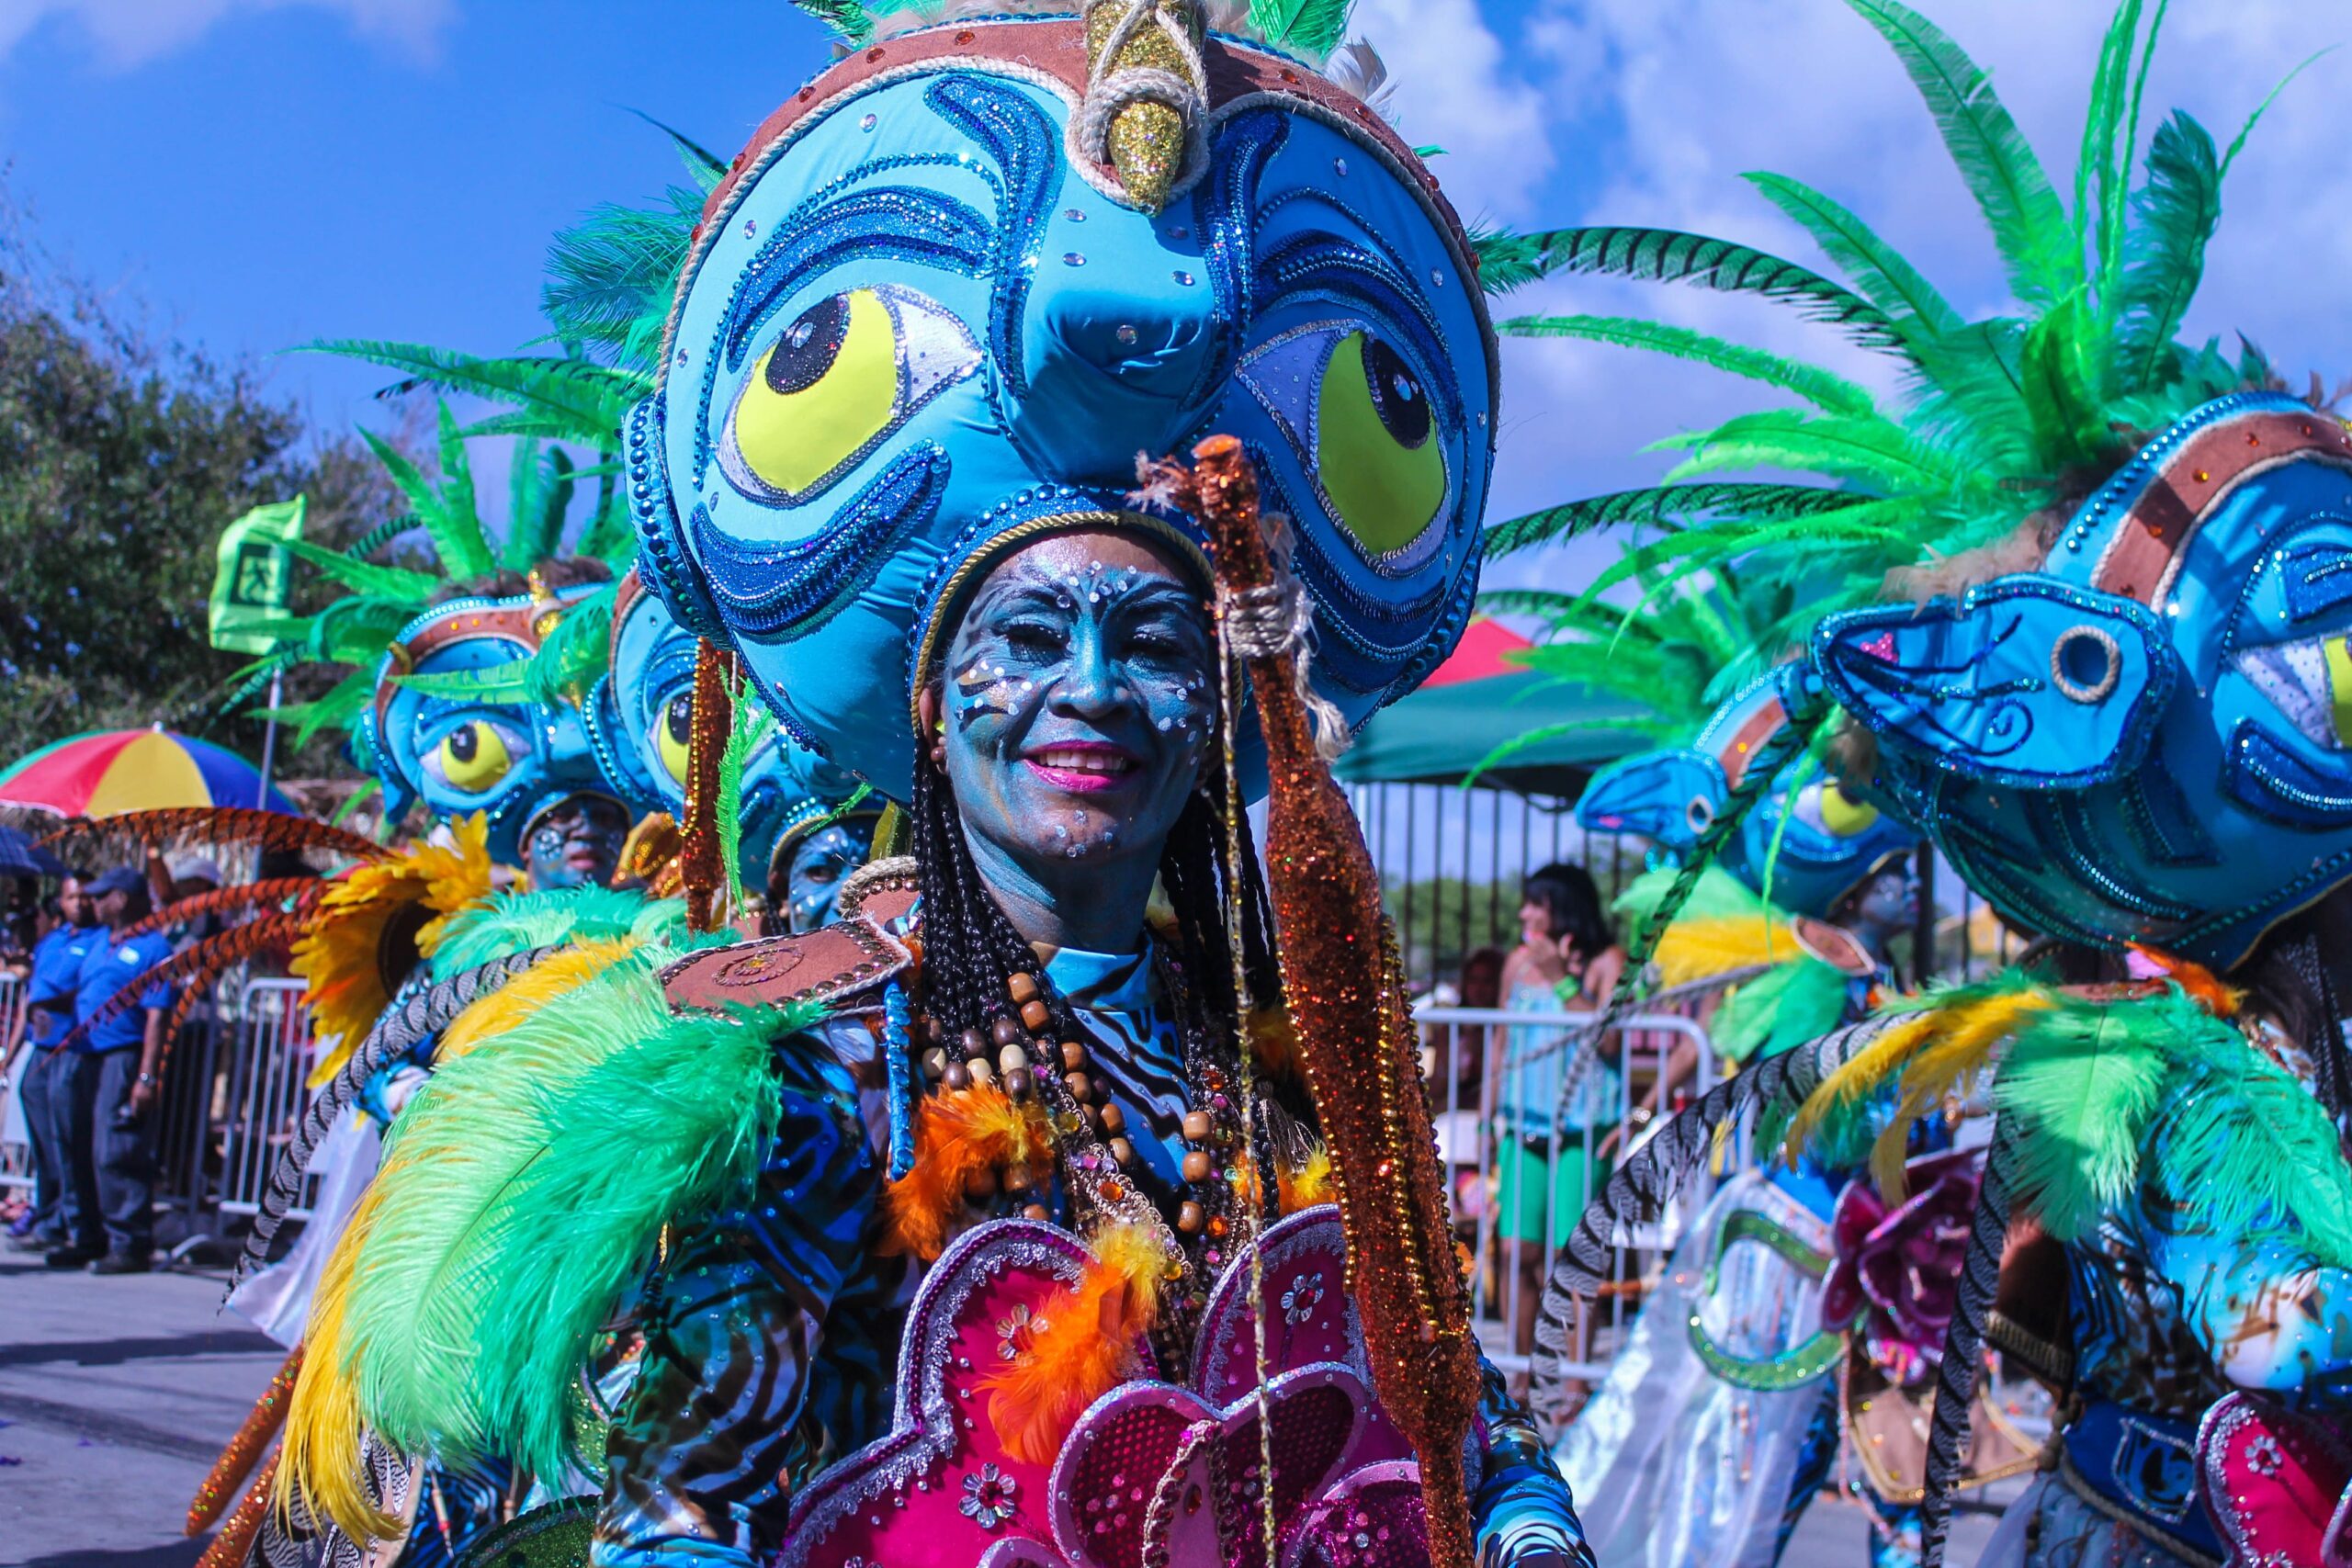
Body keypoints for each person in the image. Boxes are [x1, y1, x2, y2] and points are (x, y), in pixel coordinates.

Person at [1493, 864, 1625, 1376]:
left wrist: (1561, 979)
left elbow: (1609, 1040)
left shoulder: (1607, 962)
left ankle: (1572, 1381)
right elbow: (1501, 1044)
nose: (1524, 913)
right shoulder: (1515, 963)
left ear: (1562, 908)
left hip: (1582, 1131)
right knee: (1514, 1251)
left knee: (1573, 1258)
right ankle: (1520, 1377)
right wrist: (1488, 1125)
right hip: (1523, 1128)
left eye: (1535, 903)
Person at [54, 866, 175, 1273]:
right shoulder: (98, 942)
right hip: (84, 1055)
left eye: (102, 895)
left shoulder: (154, 947)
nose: (94, 902)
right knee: (76, 1143)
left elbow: (158, 1017)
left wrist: (146, 1076)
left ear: (121, 899)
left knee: (115, 1149)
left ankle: (130, 1243)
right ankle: (89, 1237)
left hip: (123, 1056)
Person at [5, 874, 98, 1253]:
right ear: (61, 902)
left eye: (86, 897)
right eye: (72, 897)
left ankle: (73, 1223)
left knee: (67, 1140)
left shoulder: (100, 942)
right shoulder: (52, 943)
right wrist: (9, 1058)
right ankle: (48, 1217)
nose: (79, 903)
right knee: (43, 1142)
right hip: (40, 1052)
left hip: (74, 1050)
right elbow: (30, 1005)